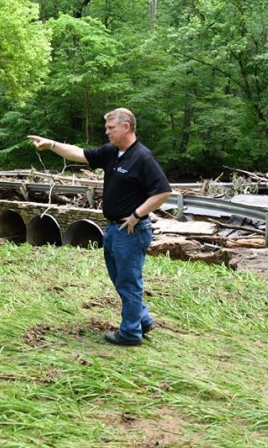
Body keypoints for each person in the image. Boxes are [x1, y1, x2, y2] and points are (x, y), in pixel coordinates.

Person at [27, 108, 172, 346]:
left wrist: (137, 215)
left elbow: (163, 191)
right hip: (114, 228)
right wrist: (51, 144)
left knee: (129, 281)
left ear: (126, 127)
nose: (107, 132)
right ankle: (142, 319)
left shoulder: (142, 157)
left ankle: (130, 334)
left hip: (131, 230)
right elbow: (78, 153)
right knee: (119, 278)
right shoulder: (112, 153)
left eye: (110, 128)